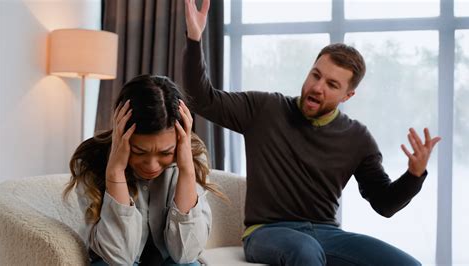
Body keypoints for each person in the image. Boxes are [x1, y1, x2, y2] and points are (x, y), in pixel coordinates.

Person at [183, 0, 441, 265]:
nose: (318, 87)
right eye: (315, 75)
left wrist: (414, 175)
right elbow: (203, 99)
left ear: (347, 95)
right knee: (305, 250)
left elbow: (384, 204)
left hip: (327, 234)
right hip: (266, 233)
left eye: (331, 84)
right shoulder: (265, 109)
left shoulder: (357, 138)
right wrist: (194, 39)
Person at [63, 74, 221, 266]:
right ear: (120, 131)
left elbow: (186, 254)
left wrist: (186, 169)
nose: (152, 165)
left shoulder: (192, 157)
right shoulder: (90, 161)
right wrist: (115, 171)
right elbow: (118, 258)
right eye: (139, 151)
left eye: (165, 153)